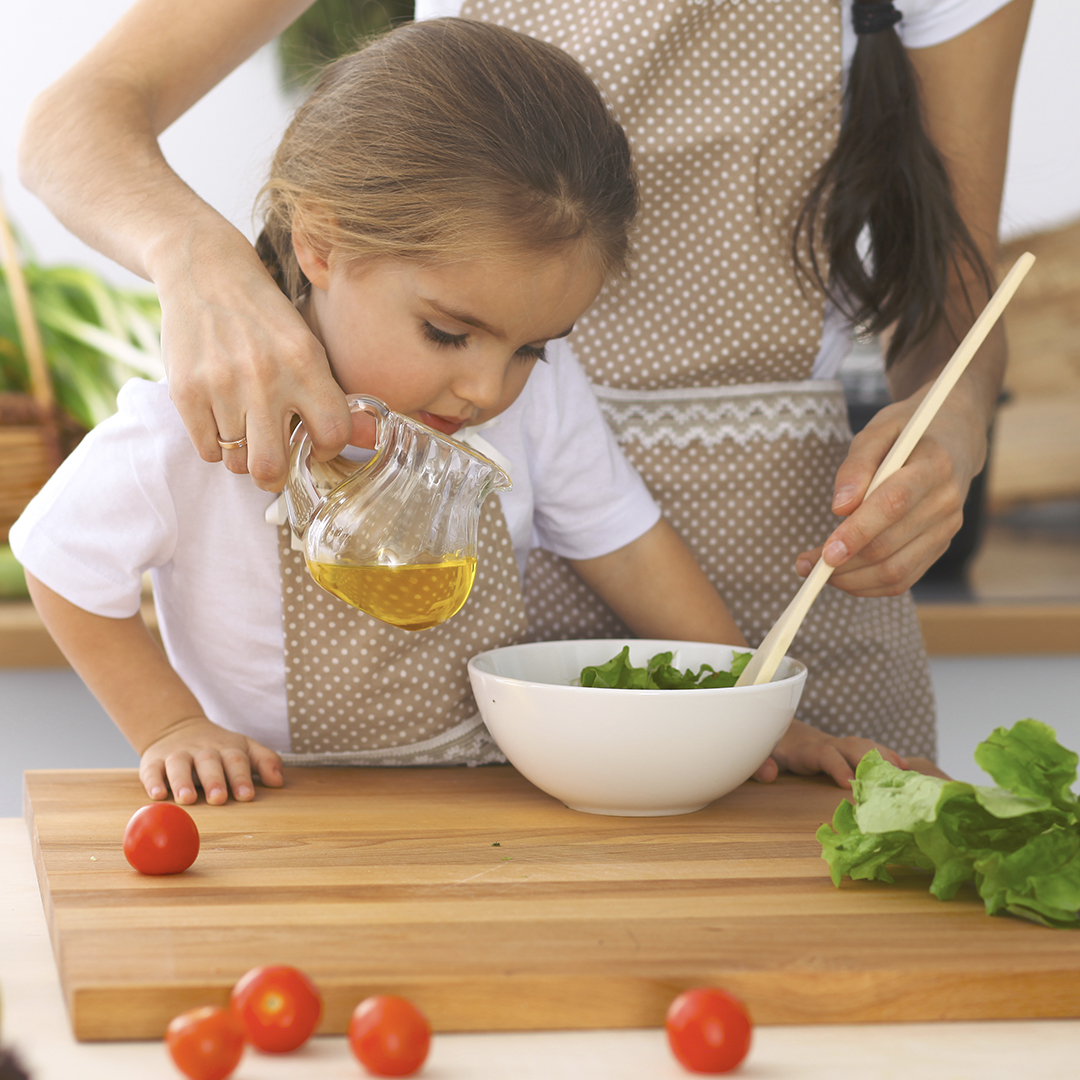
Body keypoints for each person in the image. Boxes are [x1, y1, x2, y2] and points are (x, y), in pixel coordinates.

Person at [19, 0, 1029, 773]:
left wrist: (754, 711)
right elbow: (63, 558)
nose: (487, 390)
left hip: (730, 633)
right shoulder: (197, 425)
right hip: (369, 794)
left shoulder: (539, 398)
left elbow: (626, 543)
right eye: (449, 333)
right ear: (323, 242)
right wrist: (171, 727)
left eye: (536, 349)